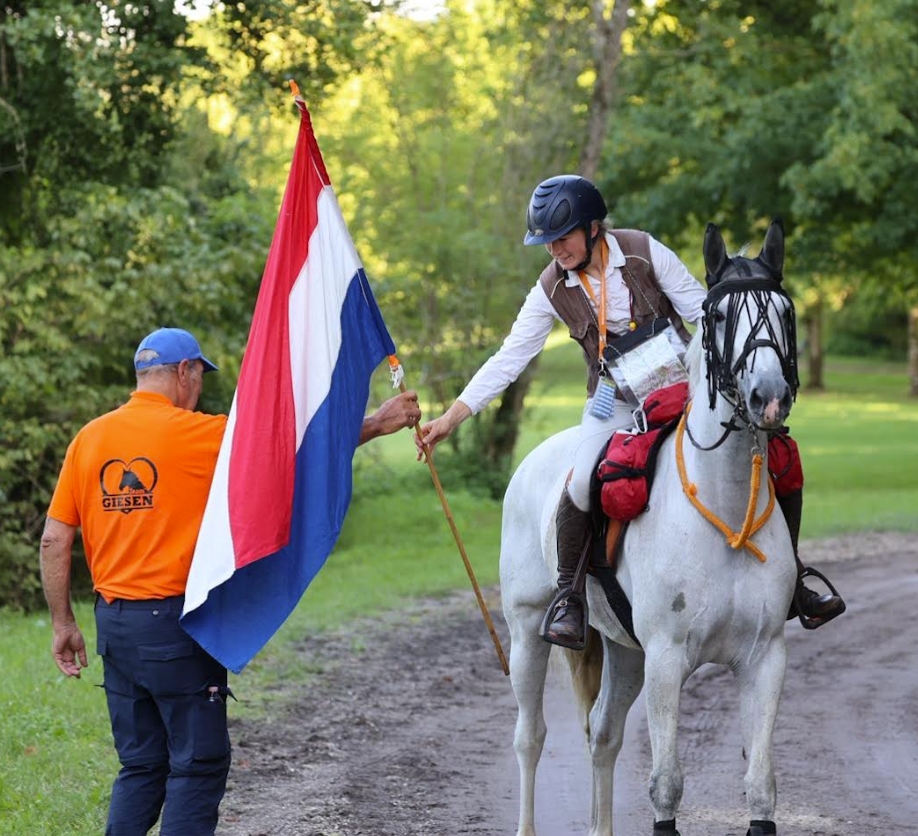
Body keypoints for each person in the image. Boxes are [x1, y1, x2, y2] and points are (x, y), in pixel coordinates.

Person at [416, 174, 843, 650]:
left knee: (778, 454)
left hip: (686, 387)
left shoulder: (643, 251)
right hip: (613, 399)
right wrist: (451, 418)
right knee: (580, 480)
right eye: (546, 243)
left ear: (594, 227)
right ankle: (570, 597)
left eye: (562, 238)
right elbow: (510, 357)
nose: (554, 250)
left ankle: (793, 578)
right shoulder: (550, 288)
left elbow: (706, 314)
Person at [40, 327, 420, 836]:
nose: (197, 392)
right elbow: (296, 448)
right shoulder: (202, 435)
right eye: (198, 378)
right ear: (183, 372)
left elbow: (53, 540)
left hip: (115, 627)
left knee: (141, 765)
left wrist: (63, 622)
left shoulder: (89, 439)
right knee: (197, 767)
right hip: (177, 630)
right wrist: (374, 423)